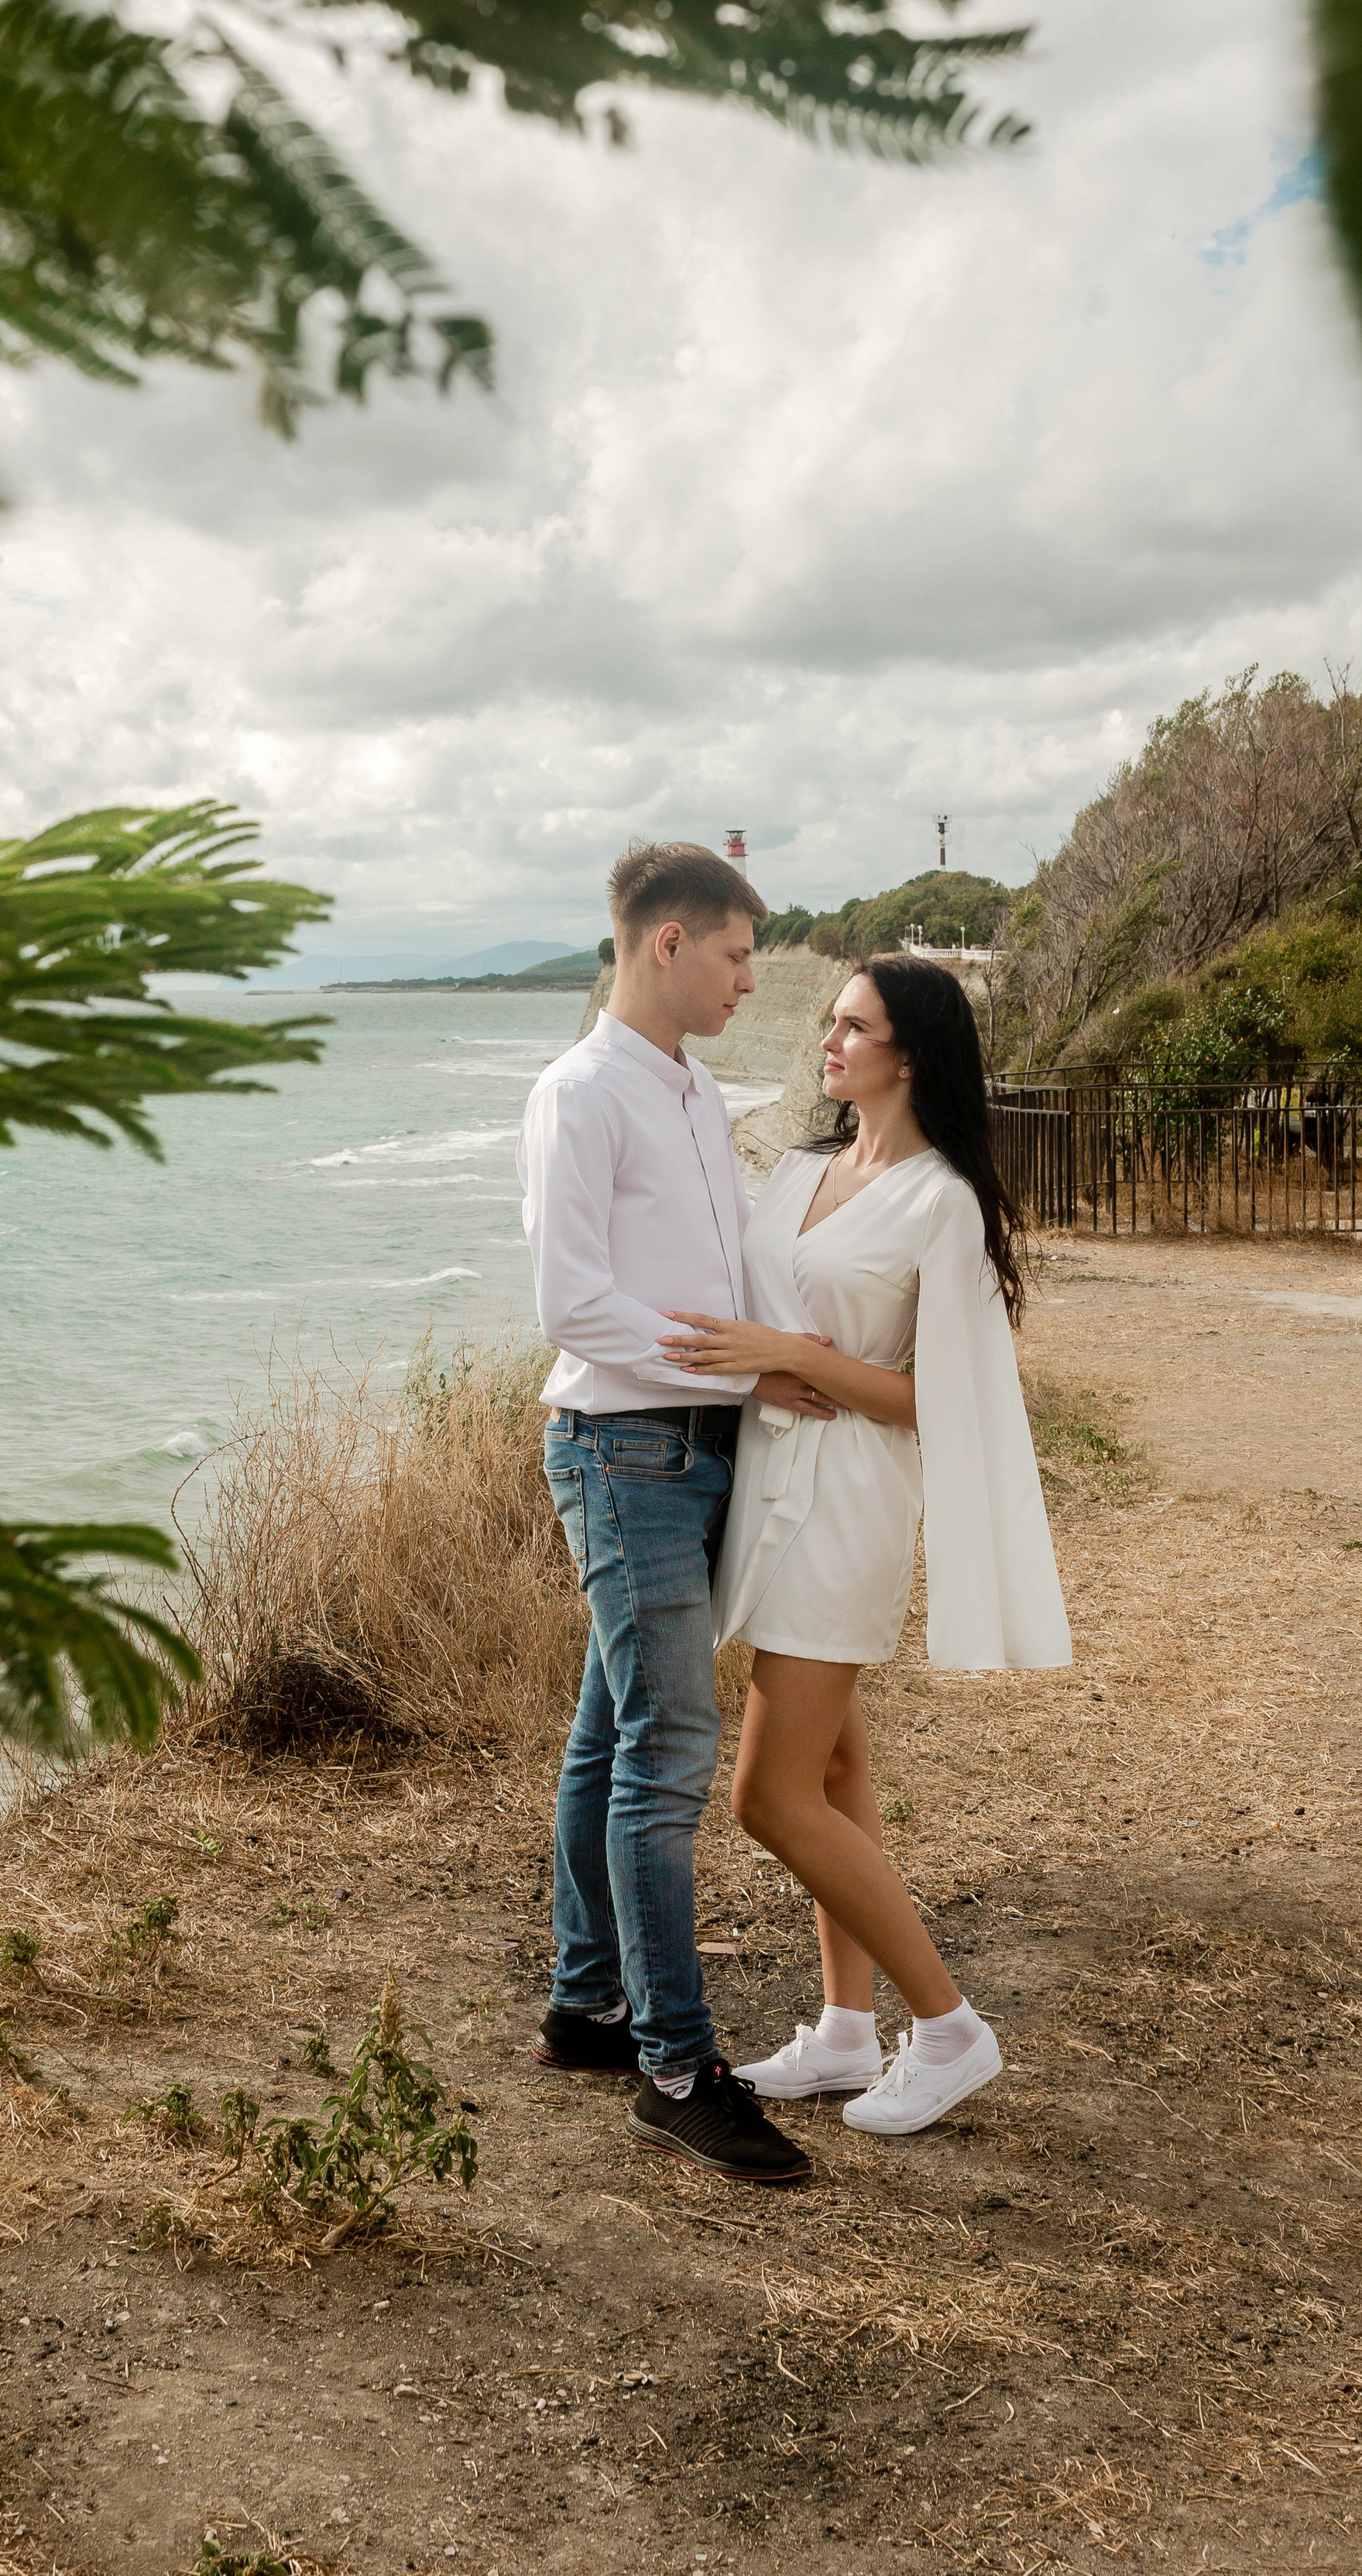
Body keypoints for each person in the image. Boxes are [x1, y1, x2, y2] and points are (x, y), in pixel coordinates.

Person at [660, 951, 1072, 2137]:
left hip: (846, 1507)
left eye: (854, 1027)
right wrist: (766, 1366)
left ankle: (947, 2028)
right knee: (835, 1771)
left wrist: (795, 1359)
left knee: (768, 1796)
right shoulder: (802, 1170)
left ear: (911, 1057)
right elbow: (752, 1316)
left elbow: (943, 1400)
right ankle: (847, 2030)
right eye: (832, 1022)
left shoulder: (942, 1201)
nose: (829, 1041)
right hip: (766, 1487)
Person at [516, 840, 839, 2185]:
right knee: (668, 1752)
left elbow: (729, 1266)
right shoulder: (579, 1093)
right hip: (623, 1450)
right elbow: (570, 1303)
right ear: (667, 944)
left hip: (697, 1446)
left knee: (612, 1735)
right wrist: (743, 1369)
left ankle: (586, 2004)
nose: (750, 981)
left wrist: (790, 1360)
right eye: (736, 954)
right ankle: (675, 2068)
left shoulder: (698, 1091)